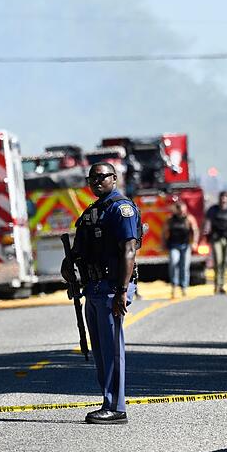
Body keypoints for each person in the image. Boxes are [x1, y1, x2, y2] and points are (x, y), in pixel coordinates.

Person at [61, 162, 139, 425]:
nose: (96, 181)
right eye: (91, 178)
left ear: (113, 178)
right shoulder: (91, 212)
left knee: (112, 348)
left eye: (101, 177)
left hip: (111, 288)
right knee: (100, 351)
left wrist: (122, 291)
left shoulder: (122, 209)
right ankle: (107, 401)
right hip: (93, 287)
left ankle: (117, 407)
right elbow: (78, 251)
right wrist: (68, 266)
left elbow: (129, 250)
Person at [163, 200, 199, 298]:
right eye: (179, 210)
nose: (182, 212)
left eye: (183, 210)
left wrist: (194, 243)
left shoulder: (189, 218)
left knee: (184, 266)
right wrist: (164, 244)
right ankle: (174, 286)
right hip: (174, 245)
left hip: (185, 246)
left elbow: (195, 230)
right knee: (174, 263)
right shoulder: (170, 219)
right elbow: (165, 231)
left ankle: (184, 287)